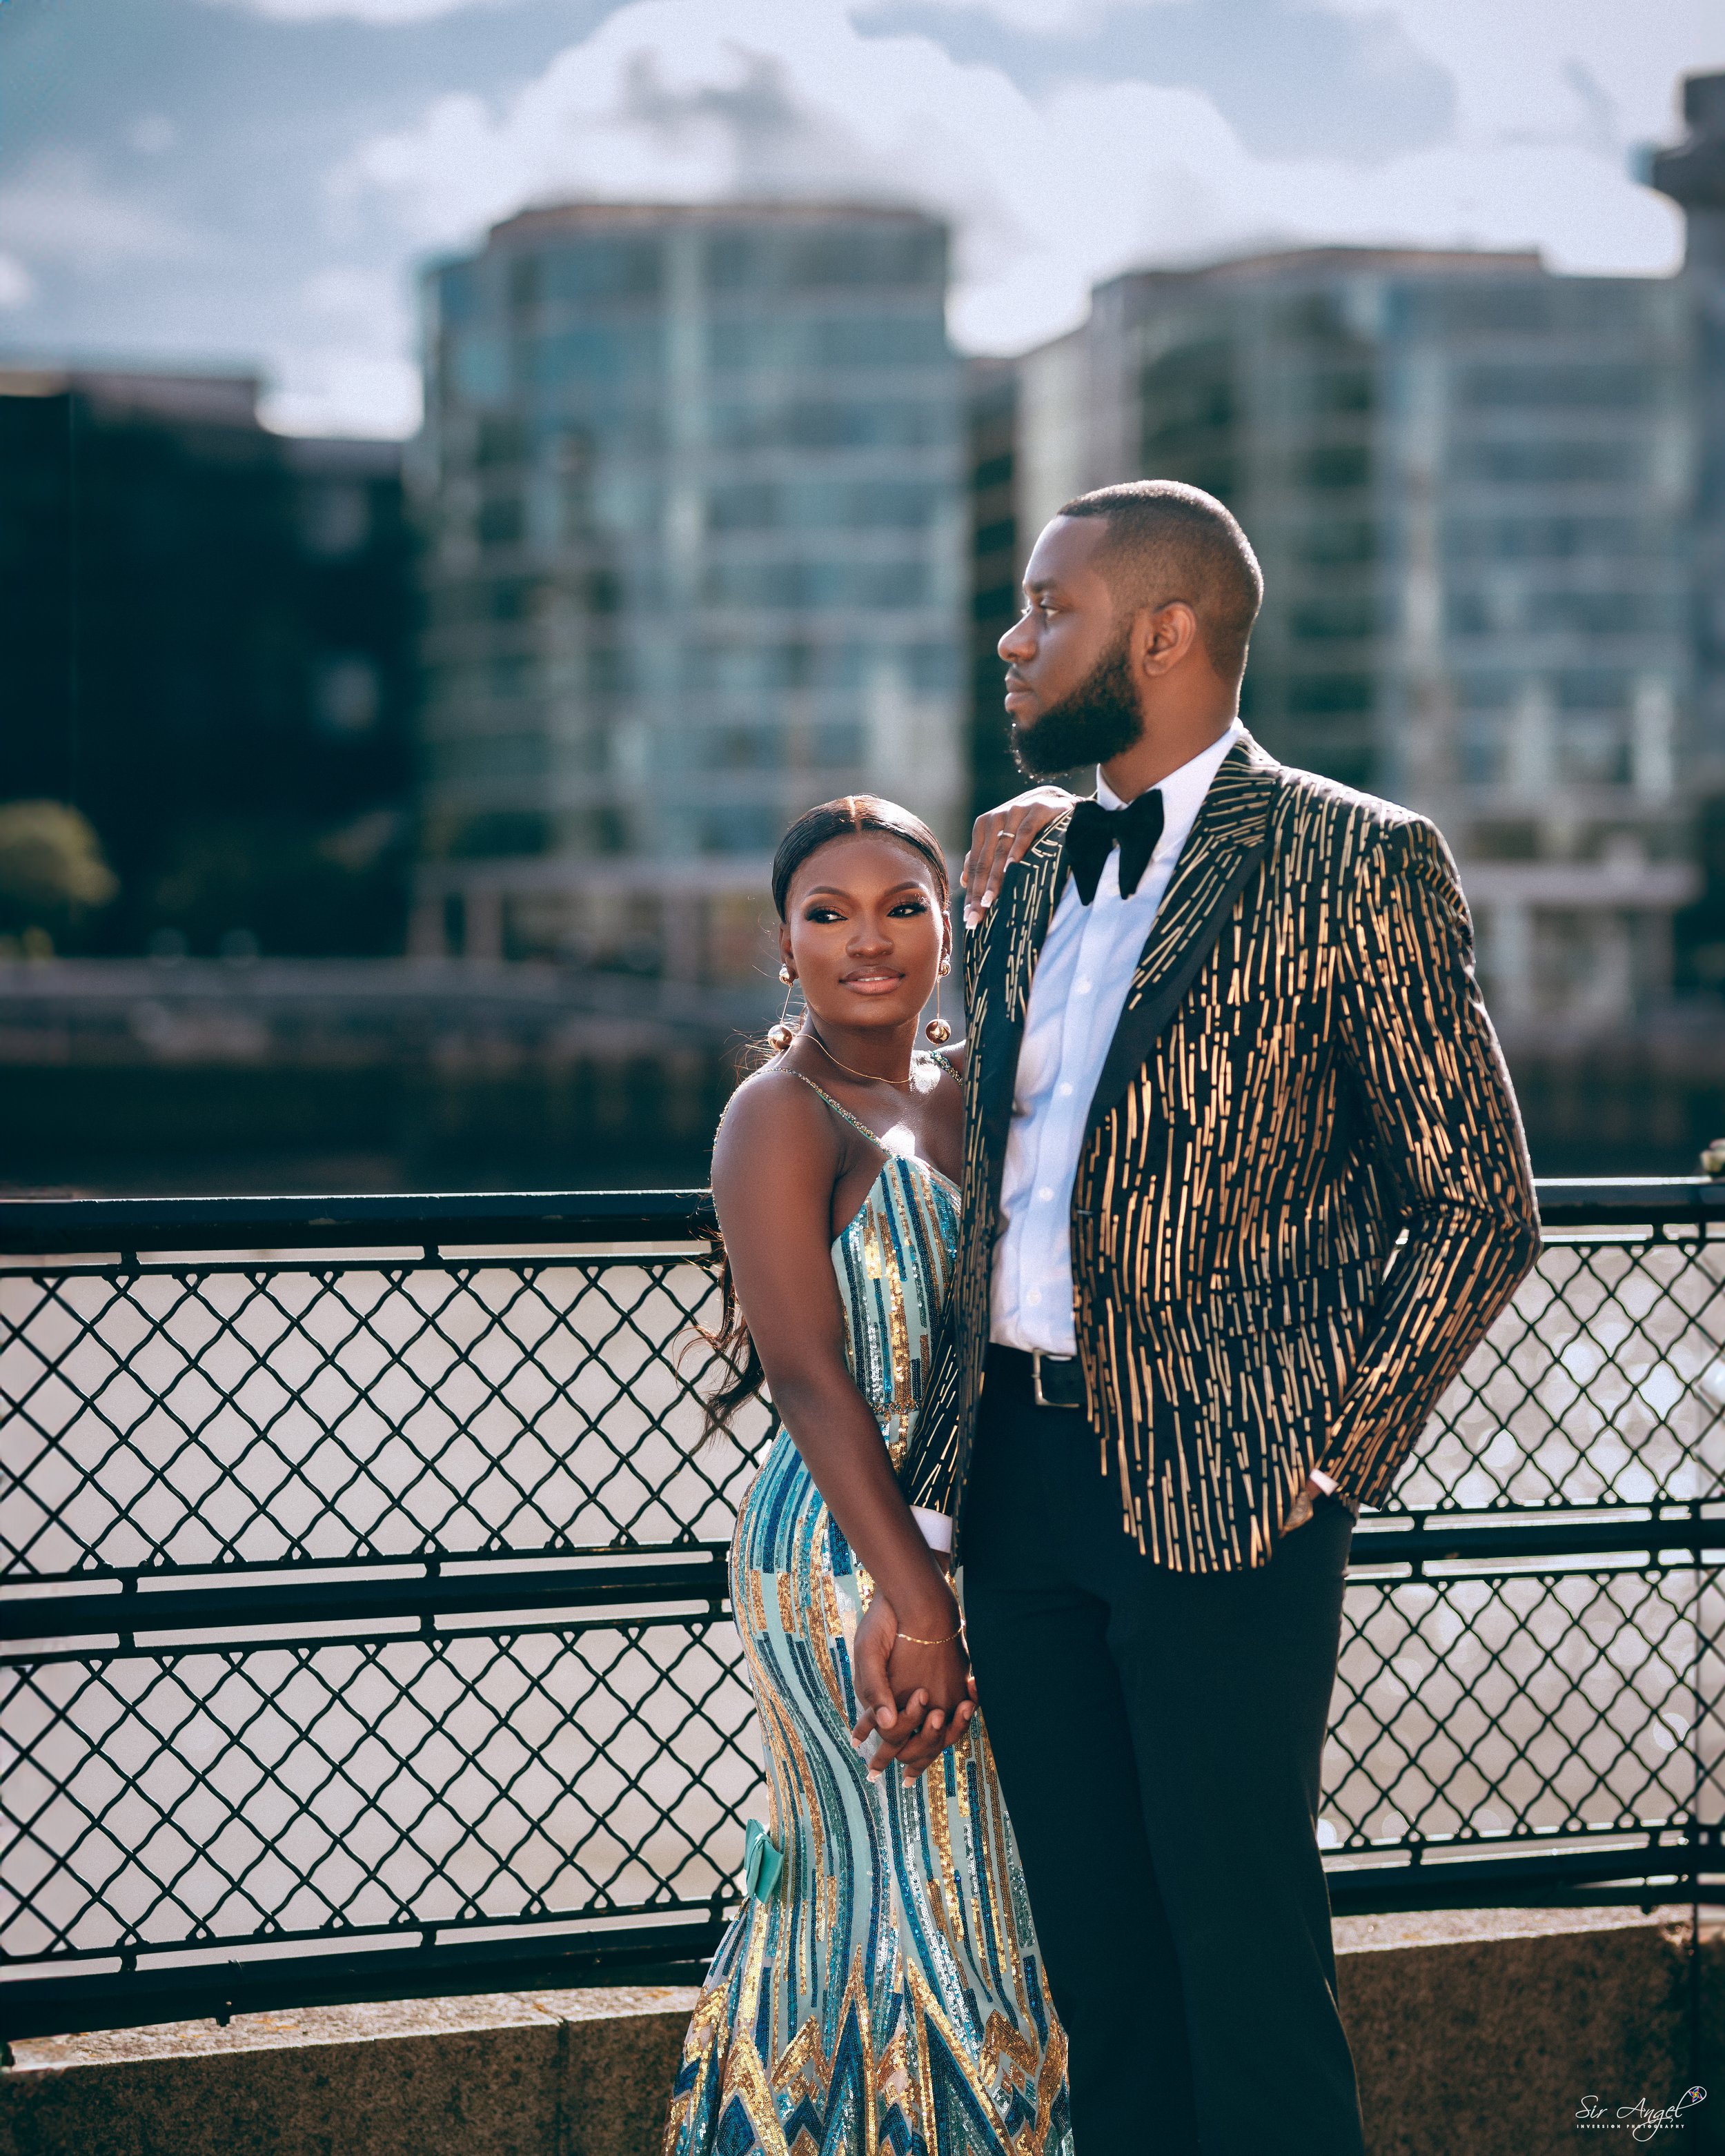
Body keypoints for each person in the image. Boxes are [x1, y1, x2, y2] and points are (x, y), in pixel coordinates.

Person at [859, 479, 1542, 2153]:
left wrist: (1326, 1451)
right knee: (1101, 1967)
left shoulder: (1352, 857)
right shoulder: (1022, 872)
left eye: (1045, 609)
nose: (1008, 642)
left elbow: (1476, 1199)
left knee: (1240, 1958)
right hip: (1018, 1494)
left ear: (1162, 633)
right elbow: (1010, 1182)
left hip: (1230, 1495)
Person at [664, 796, 1074, 2156]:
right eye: (826, 914)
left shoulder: (956, 1091)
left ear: (944, 925)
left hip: (971, 1535)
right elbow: (803, 1374)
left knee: (968, 1891)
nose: (866, 941)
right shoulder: (774, 1115)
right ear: (782, 947)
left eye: (902, 905)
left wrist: (1041, 850)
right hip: (850, 1550)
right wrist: (918, 1601)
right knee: (905, 1883)